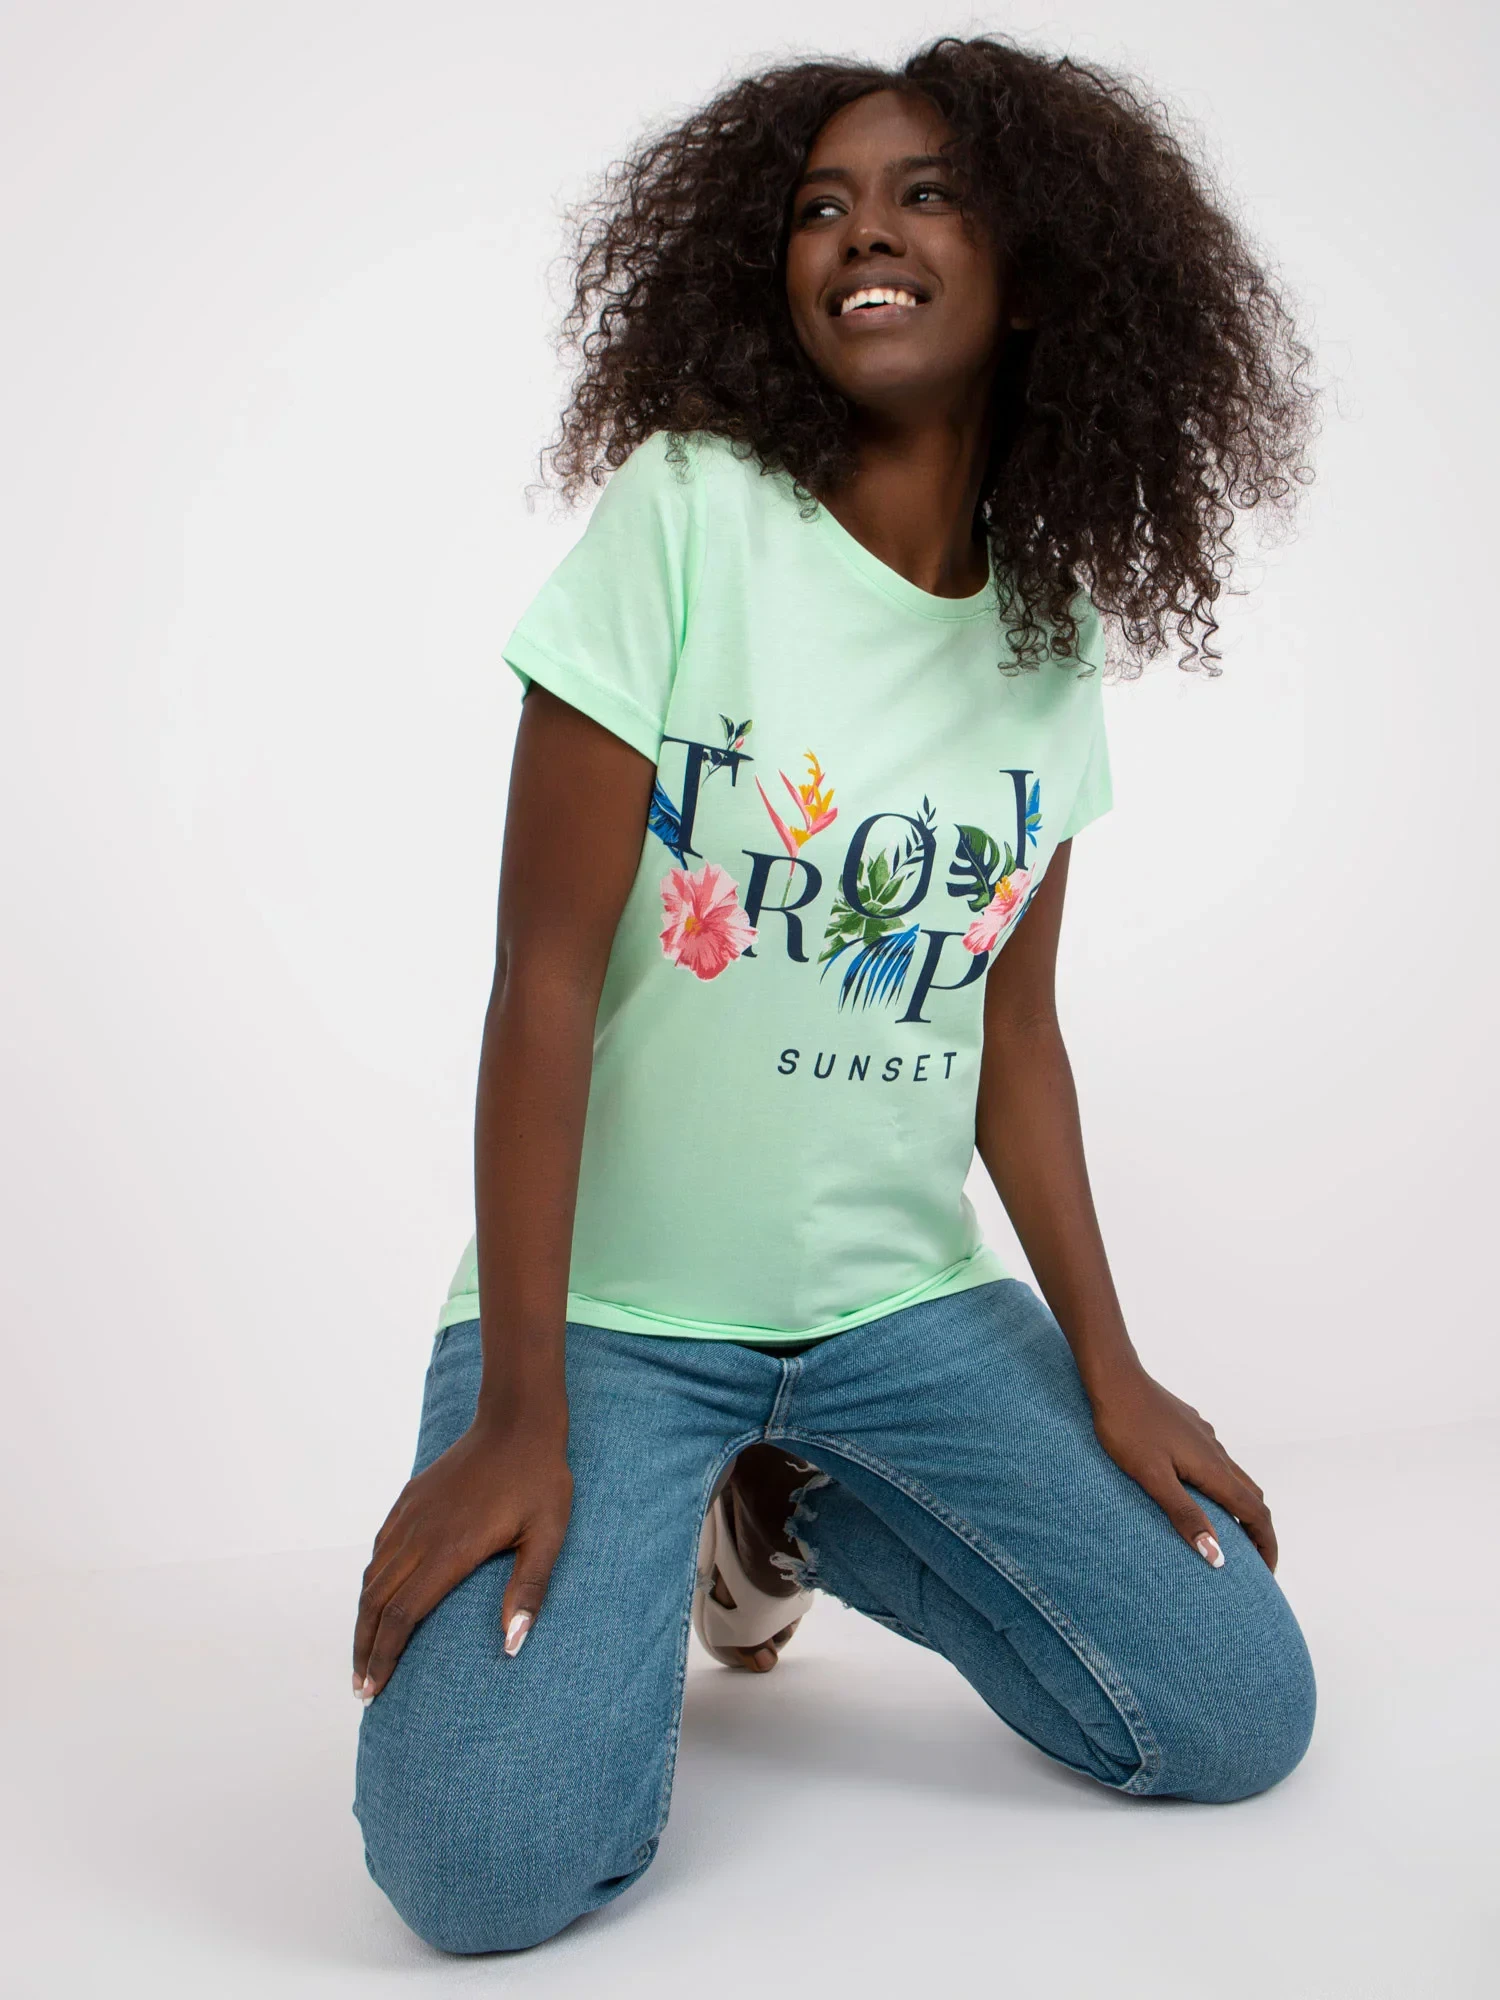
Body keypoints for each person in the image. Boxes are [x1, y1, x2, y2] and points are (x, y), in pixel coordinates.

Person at [350, 34, 1321, 1955]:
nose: (863, 232)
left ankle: (781, 1500)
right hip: (615, 1318)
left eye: (925, 195)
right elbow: (542, 978)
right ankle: (671, 1493)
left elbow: (1012, 1036)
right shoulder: (689, 514)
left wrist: (1111, 1366)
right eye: (820, 207)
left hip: (897, 1316)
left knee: (1236, 1705)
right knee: (478, 1864)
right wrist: (523, 1409)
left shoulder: (1049, 631)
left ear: (1032, 277)